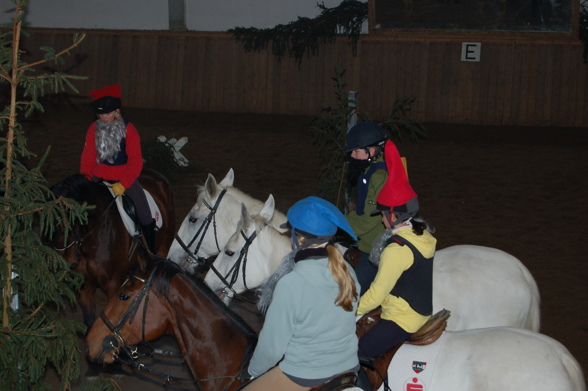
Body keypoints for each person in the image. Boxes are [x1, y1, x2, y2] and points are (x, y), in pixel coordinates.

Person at [244, 196, 360, 391]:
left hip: (303, 374)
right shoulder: (348, 271)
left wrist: (253, 371)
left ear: (298, 239)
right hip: (348, 368)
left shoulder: (291, 283)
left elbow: (272, 347)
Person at [356, 139, 436, 360]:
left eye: (383, 215)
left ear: (392, 216)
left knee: (356, 354)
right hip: (419, 309)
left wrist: (351, 309)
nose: (382, 221)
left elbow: (376, 294)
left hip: (403, 318)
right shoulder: (422, 234)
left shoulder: (396, 249)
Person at [79, 84, 156, 253]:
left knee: (144, 212)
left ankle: (152, 253)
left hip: (124, 177)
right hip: (97, 176)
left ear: (116, 111)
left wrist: (125, 183)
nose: (104, 117)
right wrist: (87, 176)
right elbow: (88, 156)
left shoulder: (129, 129)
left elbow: (136, 162)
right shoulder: (93, 128)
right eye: (100, 114)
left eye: (107, 113)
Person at [342, 121, 388, 295]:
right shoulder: (368, 169)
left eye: (356, 151)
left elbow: (368, 219)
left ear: (373, 150)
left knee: (352, 290)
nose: (352, 155)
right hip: (363, 241)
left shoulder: (379, 177)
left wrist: (341, 228)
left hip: (371, 247)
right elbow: (361, 207)